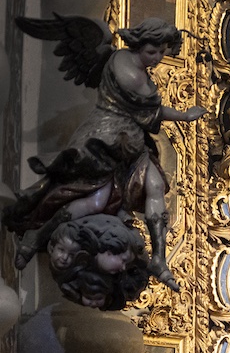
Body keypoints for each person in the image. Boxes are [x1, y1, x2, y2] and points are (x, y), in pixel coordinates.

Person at [5, 16, 205, 291]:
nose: (158, 57)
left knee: (156, 185)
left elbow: (146, 115)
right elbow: (149, 113)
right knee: (95, 202)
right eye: (152, 51)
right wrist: (184, 115)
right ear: (138, 44)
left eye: (162, 51)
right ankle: (36, 237)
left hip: (130, 142)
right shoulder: (127, 71)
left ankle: (159, 258)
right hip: (104, 139)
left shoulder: (137, 68)